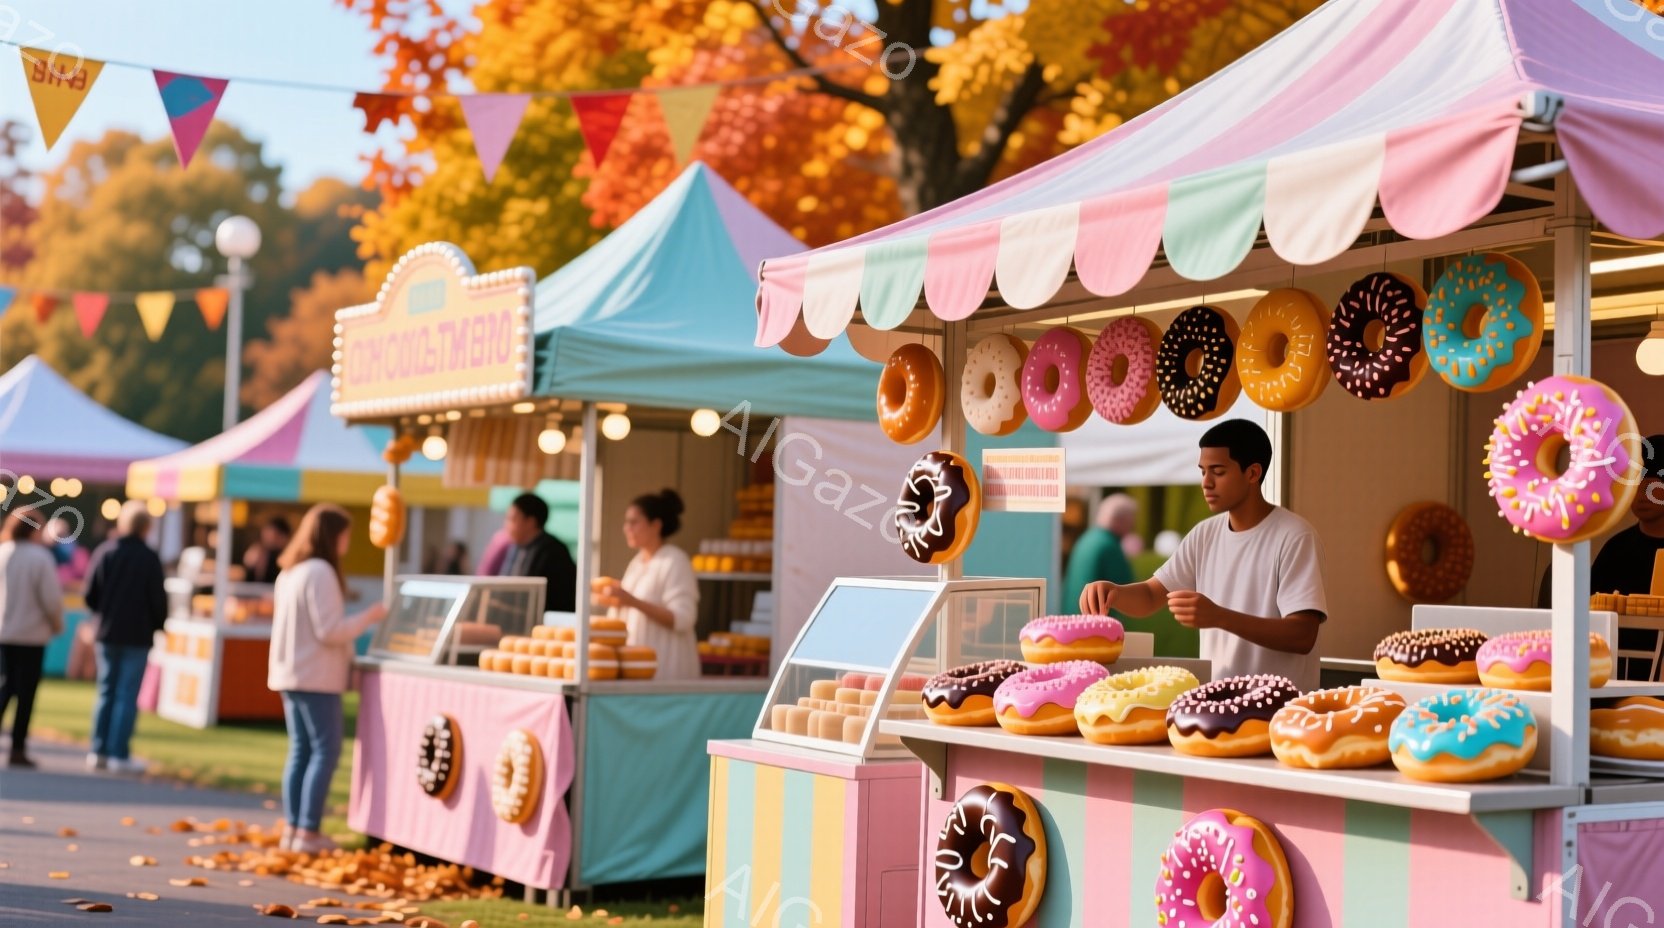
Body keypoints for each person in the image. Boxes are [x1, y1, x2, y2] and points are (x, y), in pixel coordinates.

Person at [1080, 420, 1328, 692]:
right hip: (1216, 708)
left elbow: (1303, 634)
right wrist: (1113, 592)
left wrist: (1220, 617)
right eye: (1203, 472)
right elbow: (1152, 596)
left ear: (1253, 473)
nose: (1206, 483)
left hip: (1282, 714)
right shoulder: (1204, 534)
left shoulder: (1294, 536)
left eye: (1218, 472)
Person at [267, 504, 386, 853]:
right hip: (315, 675)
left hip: (291, 672)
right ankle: (308, 830)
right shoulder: (320, 571)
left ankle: (295, 828)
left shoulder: (291, 570)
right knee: (325, 751)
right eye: (346, 534)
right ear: (335, 536)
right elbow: (330, 631)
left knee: (301, 751)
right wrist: (370, 616)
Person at [83, 501, 169, 773]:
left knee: (106, 691)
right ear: (146, 527)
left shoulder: (106, 552)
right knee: (126, 694)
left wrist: (103, 613)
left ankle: (99, 750)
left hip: (107, 631)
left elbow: (90, 594)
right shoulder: (148, 557)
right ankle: (119, 753)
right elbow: (158, 599)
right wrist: (159, 624)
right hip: (137, 634)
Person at [599, 489, 700, 680]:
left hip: (667, 670)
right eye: (626, 522)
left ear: (655, 525)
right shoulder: (637, 563)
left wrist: (632, 601)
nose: (627, 528)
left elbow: (683, 618)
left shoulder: (675, 561)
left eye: (634, 522)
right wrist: (617, 601)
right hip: (636, 669)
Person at [0, 512, 64, 768]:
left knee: (5, 687)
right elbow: (51, 600)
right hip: (31, 635)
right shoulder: (40, 558)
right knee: (25, 694)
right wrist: (57, 626)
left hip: (4, 632)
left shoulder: (3, 553)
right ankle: (17, 747)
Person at [499, 494, 577, 613]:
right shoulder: (514, 548)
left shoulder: (553, 551)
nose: (506, 525)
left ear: (530, 522)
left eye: (512, 519)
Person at [1063, 494, 1138, 616]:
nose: (1133, 525)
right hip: (1096, 624)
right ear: (1120, 520)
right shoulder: (1109, 546)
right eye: (1131, 519)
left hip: (1074, 617)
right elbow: (1127, 591)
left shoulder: (1087, 538)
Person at [243, 516, 293, 585]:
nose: (268, 537)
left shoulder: (287, 557)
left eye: (275, 535)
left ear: (283, 537)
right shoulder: (256, 552)